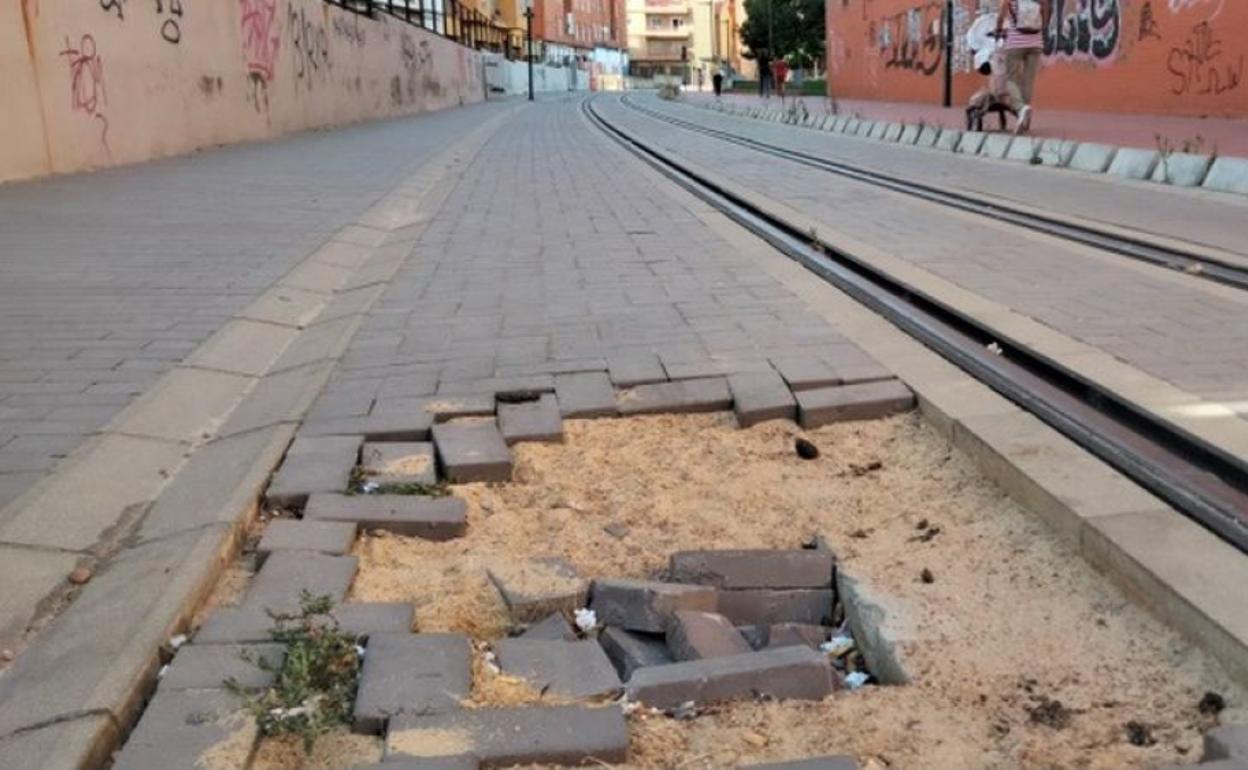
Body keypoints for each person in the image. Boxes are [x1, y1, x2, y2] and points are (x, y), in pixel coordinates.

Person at [996, 0, 1050, 134]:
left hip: (1015, 44)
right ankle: (1024, 121)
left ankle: (1021, 109)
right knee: (1028, 82)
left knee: (1011, 79)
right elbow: (1046, 10)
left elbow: (1001, 14)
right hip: (1036, 43)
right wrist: (1042, 27)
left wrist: (997, 29)